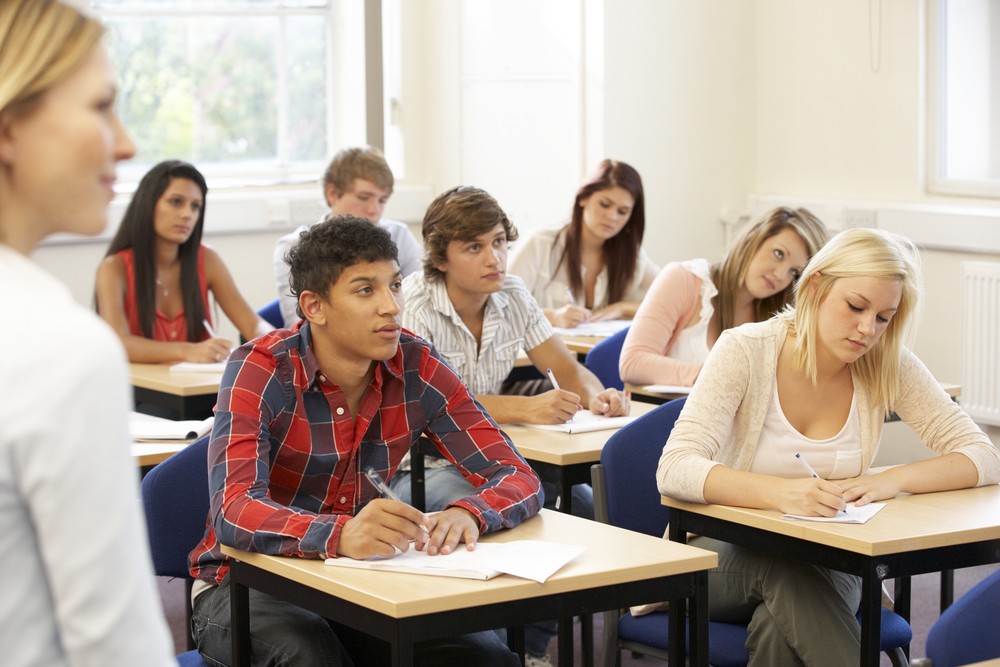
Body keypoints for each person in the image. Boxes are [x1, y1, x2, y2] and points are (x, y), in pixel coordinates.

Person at [189, 216, 541, 666]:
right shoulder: (261, 368)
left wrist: (471, 510)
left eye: (394, 285)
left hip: (356, 581)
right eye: (365, 290)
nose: (392, 306)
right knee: (312, 656)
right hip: (243, 585)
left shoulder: (417, 364)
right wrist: (340, 534)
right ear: (314, 307)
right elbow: (234, 510)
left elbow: (517, 475)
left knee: (486, 658)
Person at [657, 227, 1000, 666]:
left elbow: (983, 455)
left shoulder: (884, 362)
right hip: (722, 555)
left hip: (833, 558)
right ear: (816, 285)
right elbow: (675, 467)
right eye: (856, 307)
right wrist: (779, 493)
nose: (867, 329)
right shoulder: (745, 350)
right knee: (784, 568)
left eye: (883, 317)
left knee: (778, 630)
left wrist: (890, 479)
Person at [0, 1, 177, 664]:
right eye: (101, 106)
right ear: (10, 125)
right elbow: (116, 646)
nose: (126, 141)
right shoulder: (57, 348)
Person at [392, 185, 629, 666]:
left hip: (493, 461)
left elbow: (567, 369)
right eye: (474, 247)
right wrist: (527, 409)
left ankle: (532, 650)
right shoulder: (415, 302)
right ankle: (490, 653)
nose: (494, 257)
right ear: (441, 257)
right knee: (495, 524)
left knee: (583, 509)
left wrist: (597, 393)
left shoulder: (513, 293)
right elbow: (431, 408)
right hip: (418, 465)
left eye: (499, 241)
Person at [620, 206, 829, 387]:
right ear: (753, 239)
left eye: (794, 272)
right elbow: (633, 363)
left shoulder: (776, 320)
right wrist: (716, 376)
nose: (780, 275)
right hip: (667, 420)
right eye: (778, 254)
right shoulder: (685, 279)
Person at [95, 159, 270, 363]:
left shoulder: (207, 260)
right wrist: (186, 351)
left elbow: (252, 324)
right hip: (140, 392)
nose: (188, 214)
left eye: (195, 206)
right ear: (148, 204)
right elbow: (118, 343)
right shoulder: (114, 268)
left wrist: (278, 340)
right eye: (176, 202)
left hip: (199, 390)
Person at [273, 145, 422, 327]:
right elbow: (301, 326)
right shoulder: (294, 247)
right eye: (364, 197)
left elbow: (419, 305)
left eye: (382, 200)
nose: (374, 210)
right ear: (333, 193)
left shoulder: (399, 235)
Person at [508, 159, 659, 328]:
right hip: (547, 353)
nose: (612, 217)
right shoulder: (539, 244)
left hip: (597, 353)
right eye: (605, 204)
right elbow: (502, 305)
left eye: (622, 212)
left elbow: (671, 300)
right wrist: (553, 316)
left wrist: (621, 308)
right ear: (583, 198)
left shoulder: (634, 257)